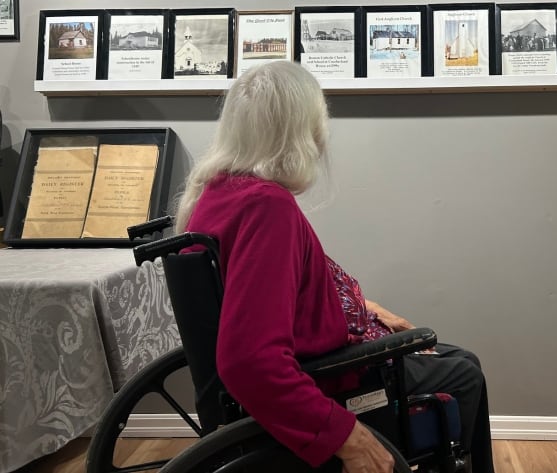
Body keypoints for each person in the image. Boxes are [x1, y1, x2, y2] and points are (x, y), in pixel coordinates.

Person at [175, 61, 495, 473]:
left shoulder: (216, 194)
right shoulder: (266, 207)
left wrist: (369, 308)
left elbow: (269, 297)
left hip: (316, 353)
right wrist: (346, 435)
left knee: (455, 358)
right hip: (326, 378)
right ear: (303, 131)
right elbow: (250, 362)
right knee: (463, 373)